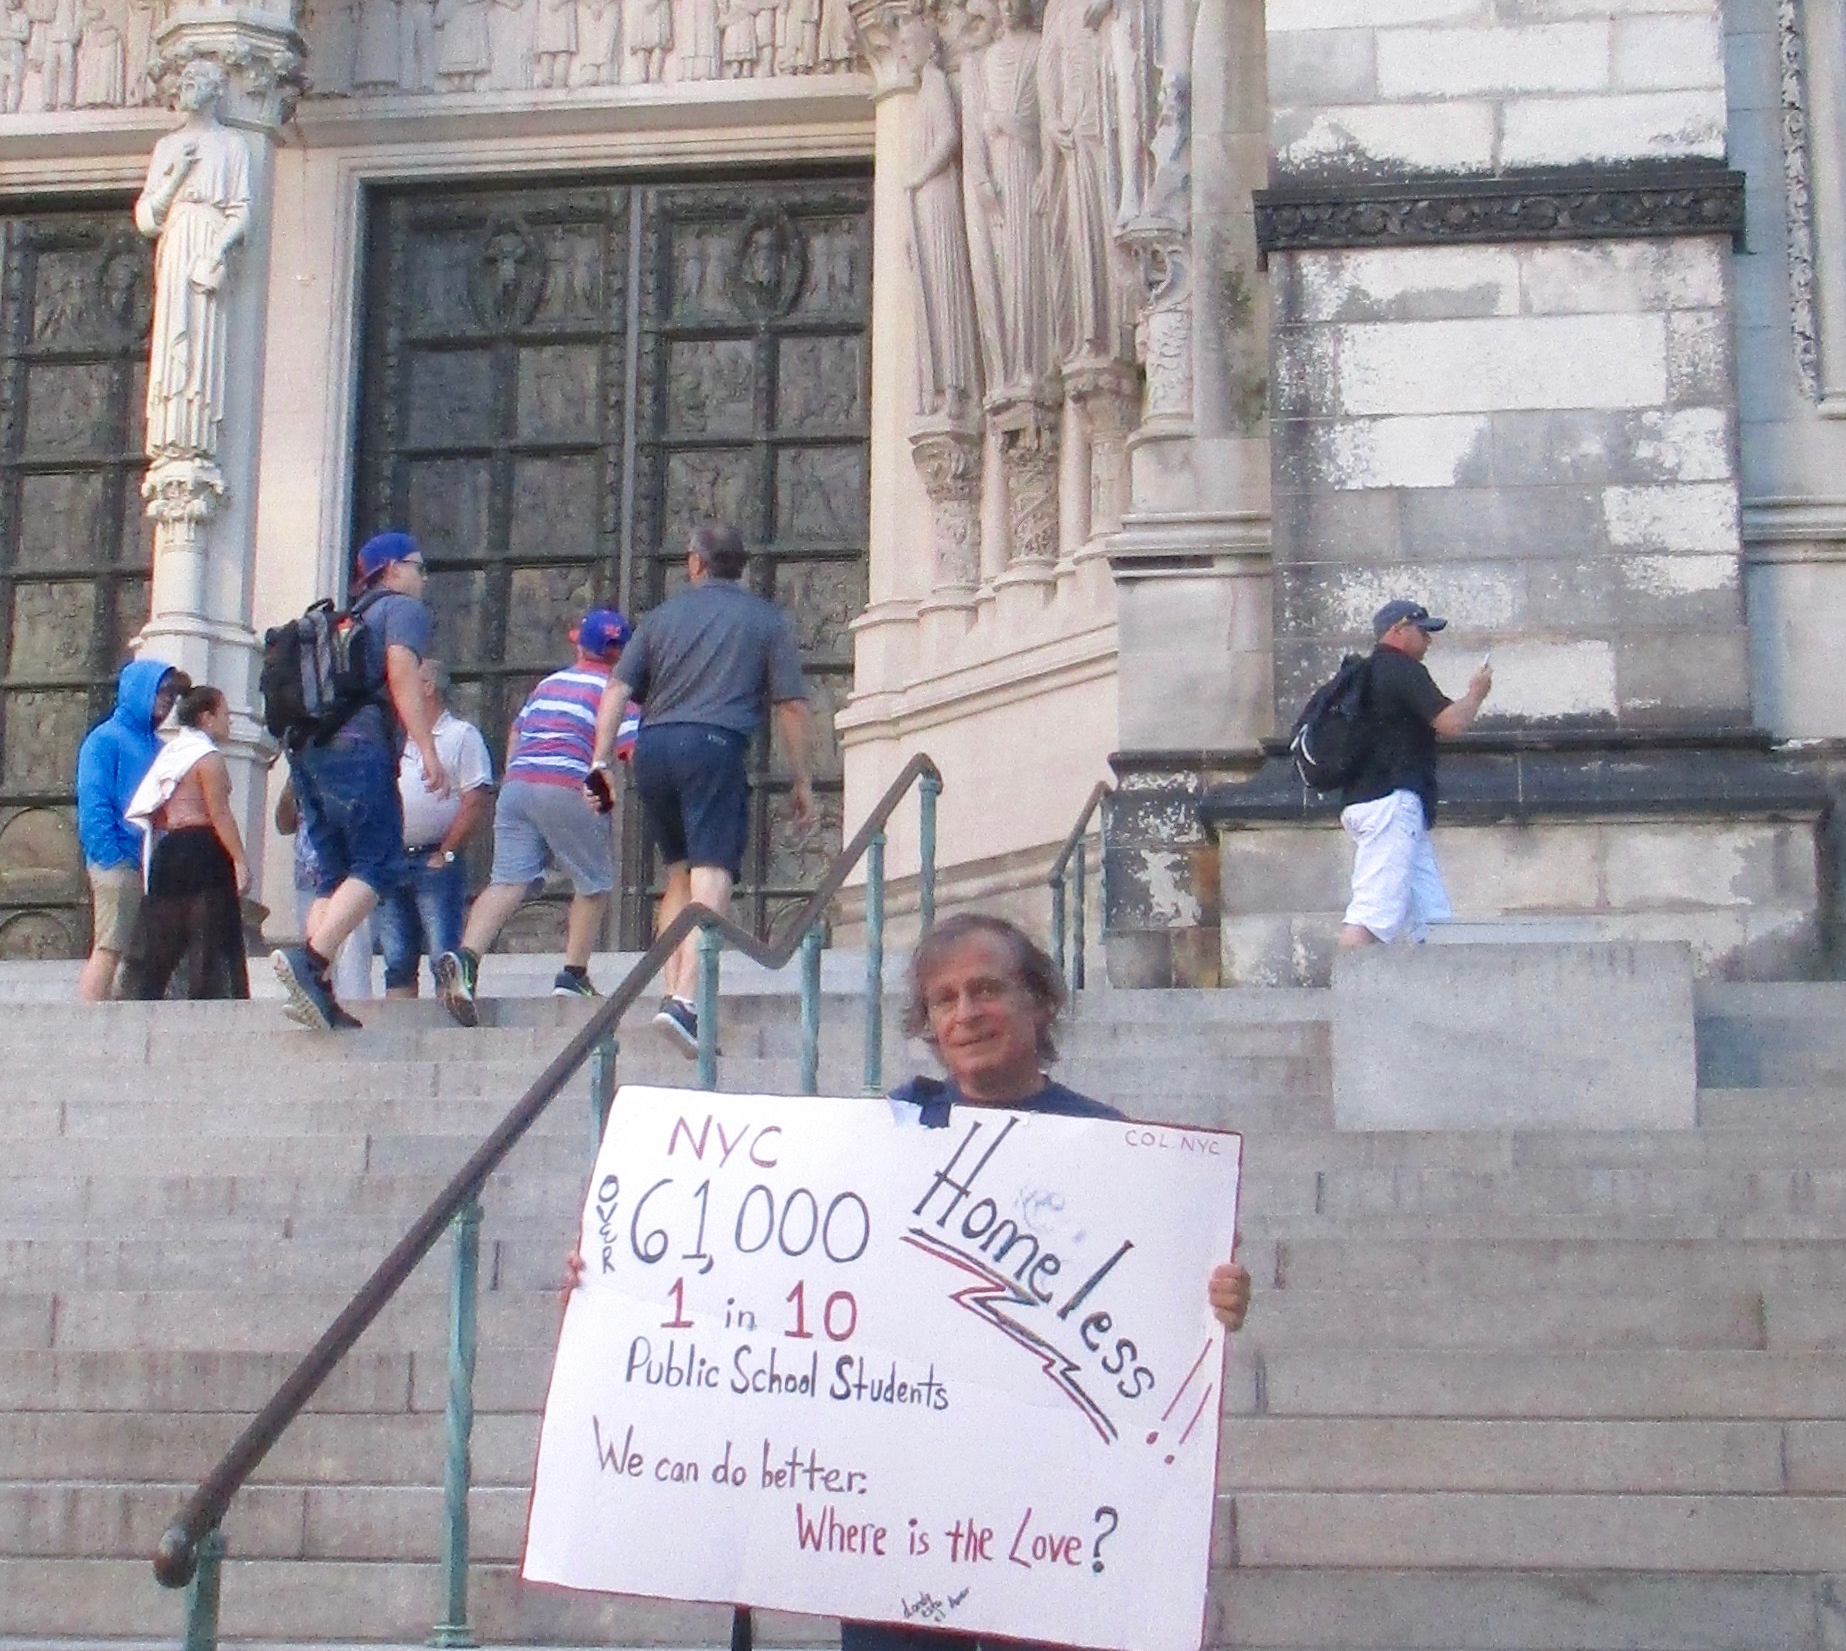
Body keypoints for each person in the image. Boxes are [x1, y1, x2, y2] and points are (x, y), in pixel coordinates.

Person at [558, 913, 1256, 1651]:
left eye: (987, 989)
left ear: (1040, 1002)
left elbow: (1162, 1319)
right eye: (944, 999)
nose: (965, 1013)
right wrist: (621, 1276)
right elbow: (759, 1271)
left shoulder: (1119, 1151)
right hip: (895, 1532)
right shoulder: (876, 1142)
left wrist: (1214, 1297)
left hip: (1050, 1528)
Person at [594, 525, 818, 1051]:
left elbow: (617, 689)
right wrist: (802, 777)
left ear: (695, 562)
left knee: (678, 875)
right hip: (714, 746)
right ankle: (686, 1001)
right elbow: (791, 705)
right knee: (711, 872)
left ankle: (672, 990)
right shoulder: (764, 619)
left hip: (653, 748)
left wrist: (600, 761)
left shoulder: (660, 619)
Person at [277, 530, 455, 1033]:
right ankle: (311, 962)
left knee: (333, 877)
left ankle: (319, 992)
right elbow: (400, 672)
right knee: (379, 862)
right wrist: (426, 747)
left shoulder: (345, 621)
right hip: (359, 747)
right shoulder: (402, 610)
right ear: (393, 569)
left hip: (308, 751)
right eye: (419, 567)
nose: (424, 578)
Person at [462, 607, 639, 1000]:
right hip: (568, 784)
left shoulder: (548, 684)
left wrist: (515, 777)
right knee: (593, 882)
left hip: (518, 784)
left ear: (579, 645)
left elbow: (517, 731)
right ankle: (573, 976)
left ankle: (465, 962)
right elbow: (630, 747)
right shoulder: (617, 690)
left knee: (507, 882)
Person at [1339, 596, 1490, 950]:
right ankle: (1345, 985)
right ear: (1398, 630)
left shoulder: (1363, 674)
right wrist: (1476, 694)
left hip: (1371, 801)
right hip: (1392, 803)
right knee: (1370, 918)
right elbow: (1450, 723)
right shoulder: (1400, 668)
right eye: (1423, 632)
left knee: (1432, 917)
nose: (1429, 640)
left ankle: (1440, 978)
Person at [124, 681, 253, 1001]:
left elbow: (155, 810)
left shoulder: (172, 754)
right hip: (203, 849)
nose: (229, 721)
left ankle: (149, 1001)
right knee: (208, 937)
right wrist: (240, 860)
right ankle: (206, 1004)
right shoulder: (208, 759)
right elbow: (220, 814)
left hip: (169, 850)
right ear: (206, 717)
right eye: (225, 714)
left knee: (162, 940)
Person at [74, 653, 175, 1001]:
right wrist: (110, 854)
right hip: (118, 860)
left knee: (136, 953)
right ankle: (88, 1020)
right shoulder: (105, 739)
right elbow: (94, 801)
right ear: (139, 691)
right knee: (110, 945)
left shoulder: (160, 747)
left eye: (171, 693)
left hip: (149, 863)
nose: (167, 699)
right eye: (160, 690)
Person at [394, 696, 496, 1024]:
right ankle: (399, 1029)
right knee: (397, 958)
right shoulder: (395, 736)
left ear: (426, 687)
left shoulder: (461, 735)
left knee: (443, 954)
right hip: (392, 859)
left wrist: (446, 853)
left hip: (435, 858)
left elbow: (475, 799)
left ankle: (446, 1027)